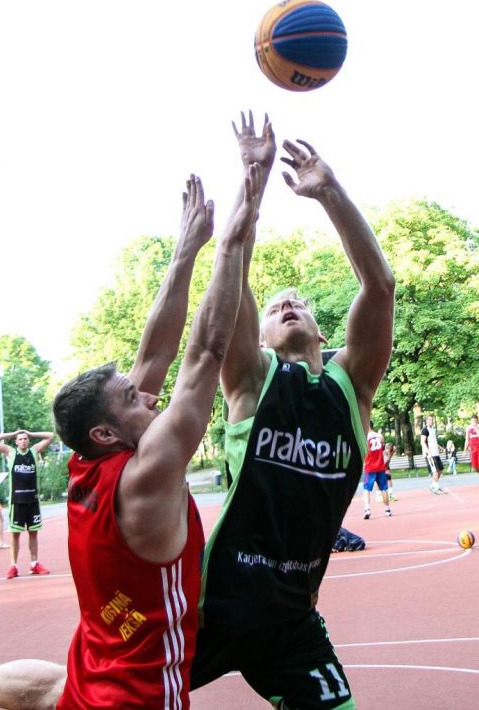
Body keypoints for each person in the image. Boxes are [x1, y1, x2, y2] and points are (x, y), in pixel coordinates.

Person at [0, 166, 261, 710]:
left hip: (94, 673)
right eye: (133, 398)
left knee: (54, 689)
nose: (150, 398)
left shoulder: (90, 462)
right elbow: (206, 353)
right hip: (140, 700)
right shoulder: (148, 473)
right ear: (105, 431)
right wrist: (235, 233)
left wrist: (184, 251)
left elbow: (156, 352)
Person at [189, 113, 395, 710]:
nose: (288, 304)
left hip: (291, 620)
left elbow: (379, 285)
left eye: (299, 302)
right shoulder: (251, 379)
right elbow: (233, 270)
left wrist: (329, 191)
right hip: (213, 604)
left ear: (321, 331)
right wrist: (251, 184)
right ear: (259, 337)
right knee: (91, 697)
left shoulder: (350, 389)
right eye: (277, 305)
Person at [0, 428, 54, 577]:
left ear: (28, 440)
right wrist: (13, 434)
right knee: (15, 534)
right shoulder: (11, 453)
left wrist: (31, 433)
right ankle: (14, 566)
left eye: (25, 439)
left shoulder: (34, 451)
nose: (23, 441)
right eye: (20, 439)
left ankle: (34, 564)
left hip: (33, 500)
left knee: (33, 533)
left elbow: (51, 436)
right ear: (16, 442)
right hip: (17, 501)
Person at [362, 421, 392, 519]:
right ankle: (387, 509)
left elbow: (364, 451)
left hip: (369, 467)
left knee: (366, 489)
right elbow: (383, 450)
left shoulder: (365, 437)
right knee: (384, 488)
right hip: (380, 466)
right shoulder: (380, 436)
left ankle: (367, 509)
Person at [420, 415, 444, 494]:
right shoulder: (425, 430)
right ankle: (436, 488)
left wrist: (439, 447)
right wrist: (428, 453)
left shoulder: (433, 430)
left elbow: (433, 441)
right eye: (430, 419)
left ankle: (433, 485)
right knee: (435, 471)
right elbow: (423, 442)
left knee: (440, 470)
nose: (431, 421)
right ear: (426, 421)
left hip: (436, 453)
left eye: (432, 419)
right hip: (430, 454)